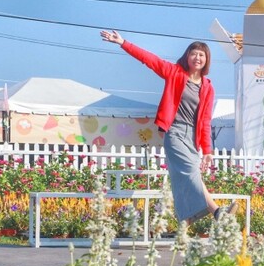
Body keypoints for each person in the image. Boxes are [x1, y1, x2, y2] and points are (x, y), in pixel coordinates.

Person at [99, 29, 237, 223]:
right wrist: (123, 42)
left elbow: (205, 121)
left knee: (188, 177)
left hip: (192, 136)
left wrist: (208, 150)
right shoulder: (175, 73)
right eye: (194, 53)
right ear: (187, 56)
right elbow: (151, 60)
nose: (197, 58)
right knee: (191, 171)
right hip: (174, 131)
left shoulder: (208, 87)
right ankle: (217, 212)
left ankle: (185, 224)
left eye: (201, 55)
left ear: (207, 60)